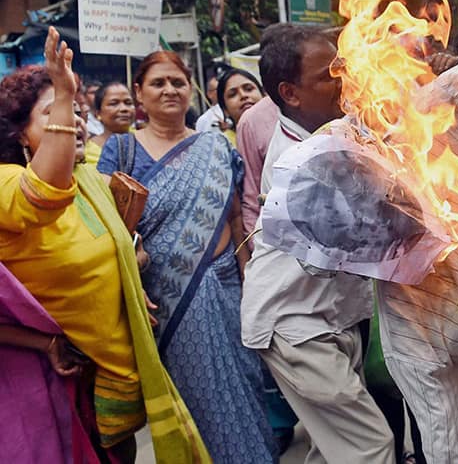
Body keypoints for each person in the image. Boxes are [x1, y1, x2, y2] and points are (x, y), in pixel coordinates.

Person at [0, 28, 207, 462]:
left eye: (74, 109)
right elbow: (42, 194)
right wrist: (44, 343)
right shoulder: (6, 185)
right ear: (20, 135)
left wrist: (130, 282)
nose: (73, 119)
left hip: (111, 376)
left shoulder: (89, 182)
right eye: (54, 110)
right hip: (52, 373)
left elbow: (117, 249)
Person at [97, 50, 276, 462]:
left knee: (245, 391)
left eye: (177, 82)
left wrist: (251, 279)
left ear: (190, 88)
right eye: (158, 83)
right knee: (194, 403)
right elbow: (110, 230)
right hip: (165, 301)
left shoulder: (215, 145)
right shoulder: (121, 152)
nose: (170, 90)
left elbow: (234, 216)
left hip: (225, 286)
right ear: (139, 93)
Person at [241, 24, 395, 464]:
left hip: (332, 317)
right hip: (297, 326)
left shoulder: (332, 131)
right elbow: (368, 238)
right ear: (290, 93)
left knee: (332, 451)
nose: (344, 78)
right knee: (371, 447)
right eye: (328, 73)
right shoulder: (299, 164)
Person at [84, 81, 135, 164]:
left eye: (128, 103)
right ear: (98, 114)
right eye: (114, 104)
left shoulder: (146, 141)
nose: (124, 109)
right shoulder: (88, 152)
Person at [216, 67, 263, 146]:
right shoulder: (223, 146)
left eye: (248, 89)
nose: (243, 95)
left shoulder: (284, 129)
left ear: (264, 95)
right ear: (225, 110)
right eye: (232, 94)